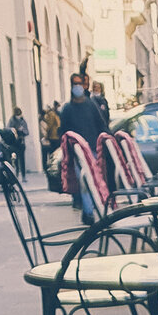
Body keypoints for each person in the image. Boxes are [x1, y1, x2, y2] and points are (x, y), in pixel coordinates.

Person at [59, 73, 106, 222]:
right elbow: (63, 132)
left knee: (95, 180)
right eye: (75, 84)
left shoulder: (91, 105)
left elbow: (101, 124)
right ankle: (88, 212)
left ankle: (92, 210)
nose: (77, 86)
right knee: (84, 181)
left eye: (80, 83)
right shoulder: (67, 109)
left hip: (92, 148)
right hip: (77, 152)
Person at [6, 106, 29, 178]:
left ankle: (23, 175)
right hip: (14, 143)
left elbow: (27, 132)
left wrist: (22, 130)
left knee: (22, 159)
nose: (19, 116)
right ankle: (17, 174)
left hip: (21, 142)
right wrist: (15, 130)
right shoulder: (11, 120)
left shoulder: (22, 120)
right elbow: (8, 130)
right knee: (15, 159)